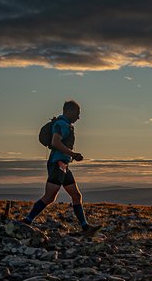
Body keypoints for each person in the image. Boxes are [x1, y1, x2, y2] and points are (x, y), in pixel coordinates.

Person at [22, 100, 99, 235]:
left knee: (76, 195)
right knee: (49, 197)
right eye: (77, 113)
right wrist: (73, 154)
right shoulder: (61, 124)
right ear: (68, 111)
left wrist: (70, 156)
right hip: (57, 163)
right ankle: (26, 221)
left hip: (63, 164)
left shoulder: (65, 125)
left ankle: (86, 228)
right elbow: (55, 142)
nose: (78, 117)